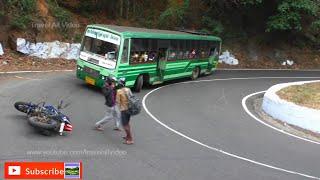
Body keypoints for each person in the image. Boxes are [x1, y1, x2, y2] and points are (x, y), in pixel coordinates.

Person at [116, 78, 134, 145]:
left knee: (125, 125)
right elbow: (132, 97)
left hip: (124, 110)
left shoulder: (119, 91)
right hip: (129, 109)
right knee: (127, 123)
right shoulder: (128, 89)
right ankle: (127, 136)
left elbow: (117, 101)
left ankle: (130, 139)